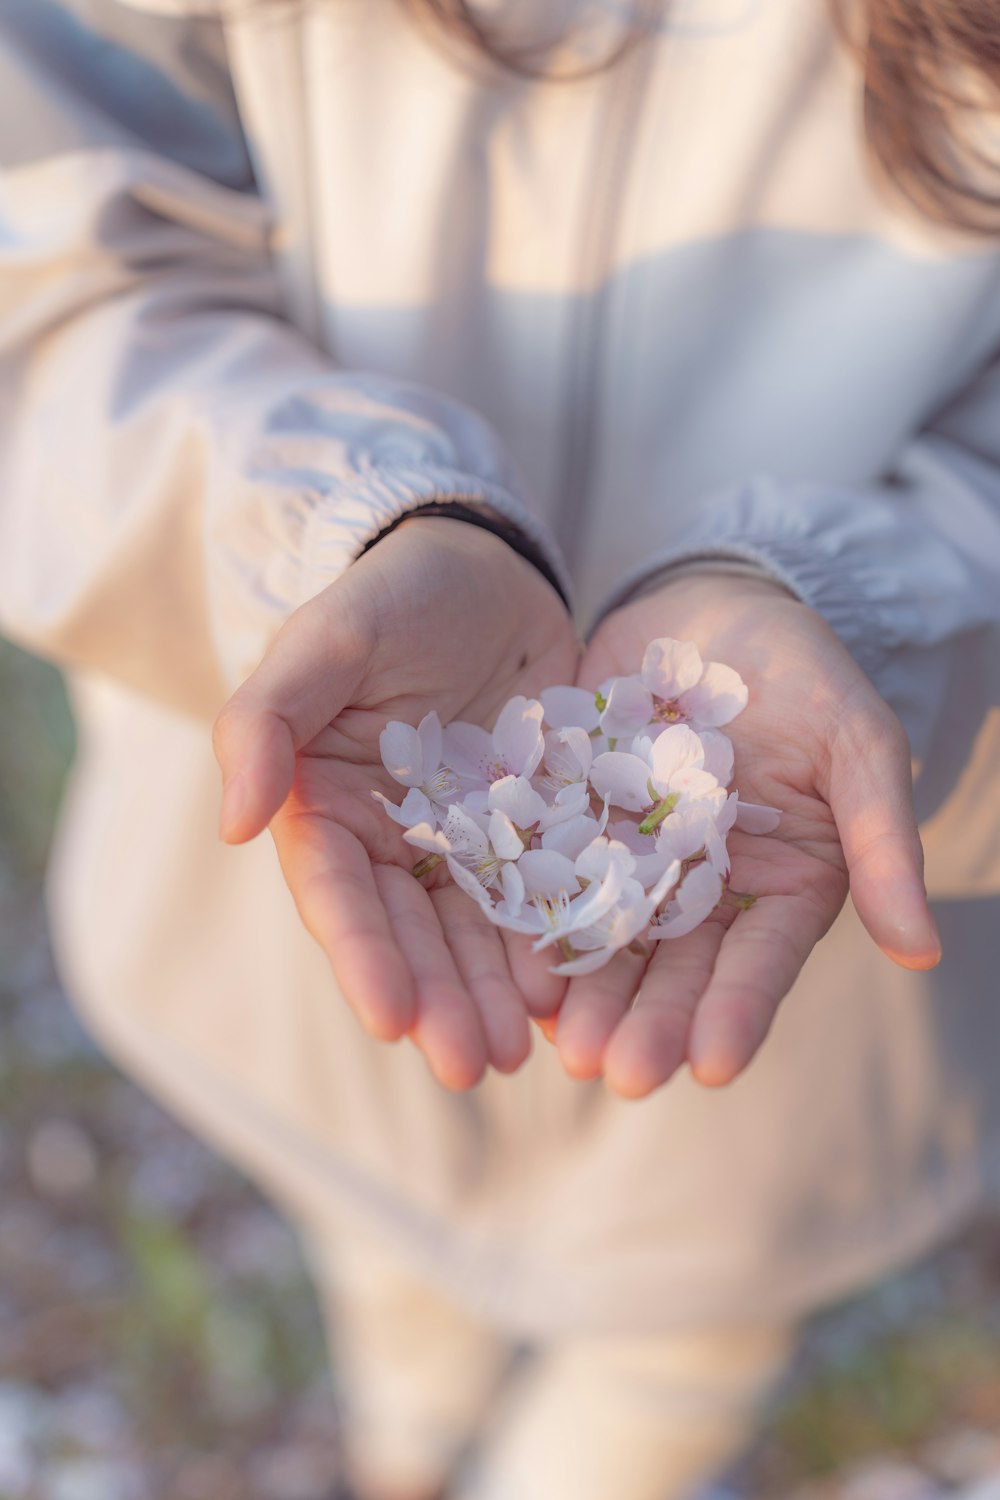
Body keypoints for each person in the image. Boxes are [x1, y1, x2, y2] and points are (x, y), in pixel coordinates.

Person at [2, 1, 1000, 1497]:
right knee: (378, 1239)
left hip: (794, 1029)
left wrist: (868, 616)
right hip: (313, 919)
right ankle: (407, 1430)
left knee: (678, 1344)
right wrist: (338, 532)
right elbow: (46, 262)